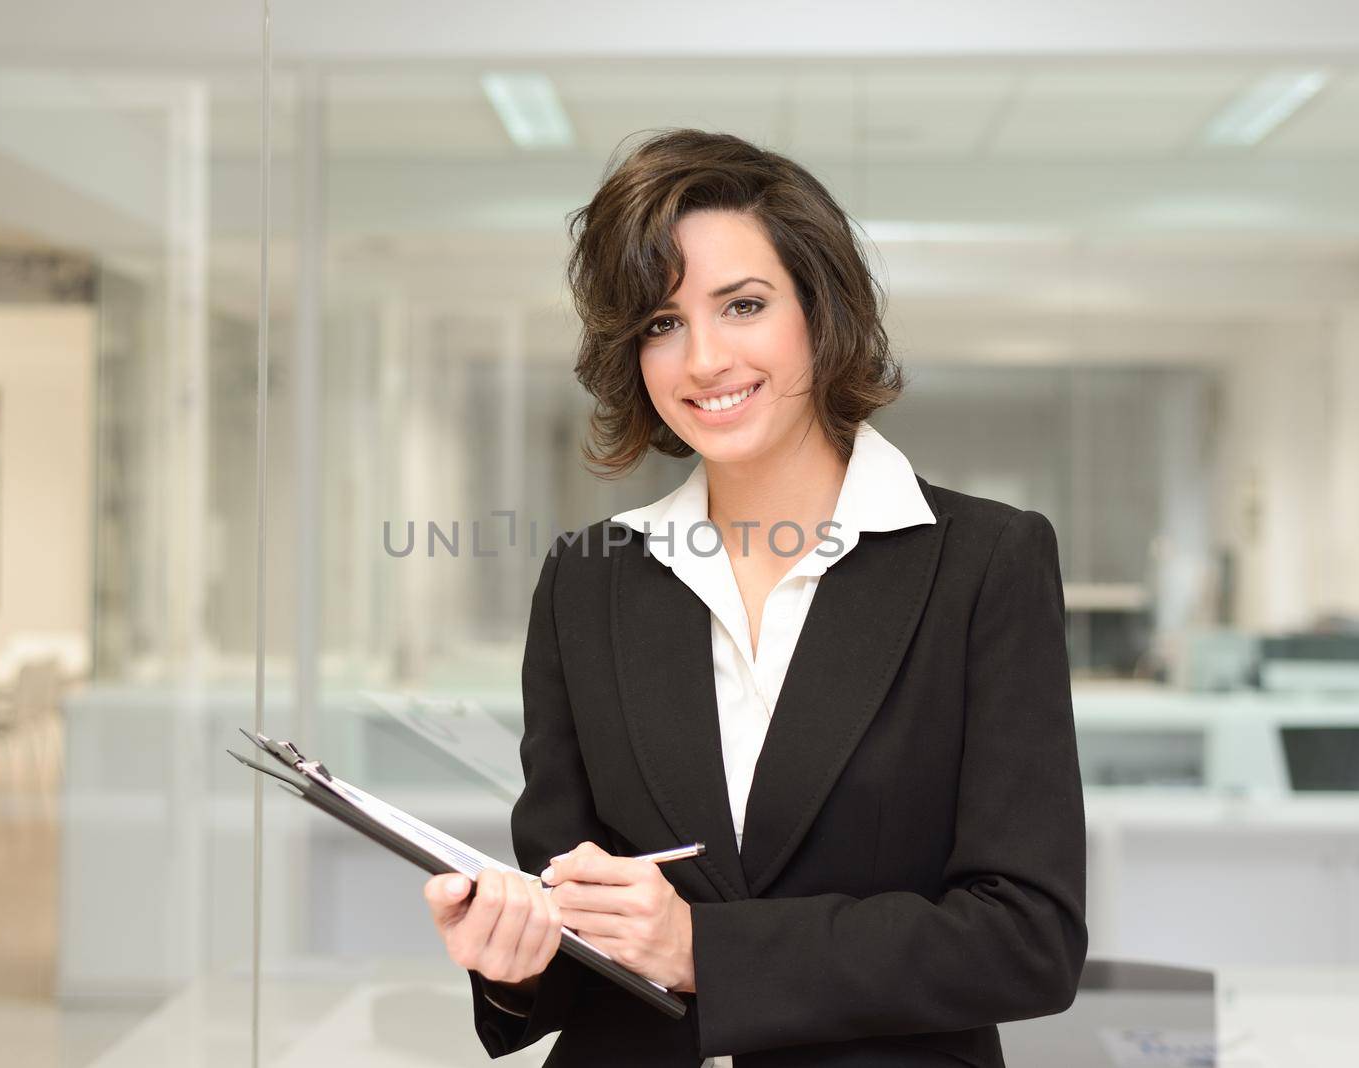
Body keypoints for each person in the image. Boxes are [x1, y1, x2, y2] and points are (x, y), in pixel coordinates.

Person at [422, 128, 1087, 1067]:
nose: (702, 360)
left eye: (742, 305)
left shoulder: (986, 562)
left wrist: (708, 952)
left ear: (821, 310)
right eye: (661, 322)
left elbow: (1029, 938)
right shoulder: (589, 578)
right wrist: (515, 956)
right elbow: (579, 918)